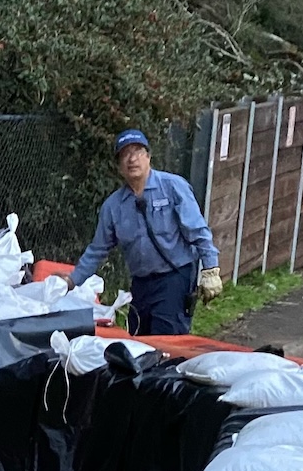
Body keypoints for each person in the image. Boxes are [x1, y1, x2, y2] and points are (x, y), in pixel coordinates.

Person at [69, 129, 223, 337]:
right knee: (140, 342)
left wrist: (210, 269)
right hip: (141, 285)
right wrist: (72, 281)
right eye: (125, 154)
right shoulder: (114, 206)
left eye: (138, 151)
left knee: (167, 342)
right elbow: (97, 249)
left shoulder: (172, 187)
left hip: (174, 278)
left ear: (148, 156)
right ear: (118, 166)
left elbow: (197, 229)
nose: (132, 159)